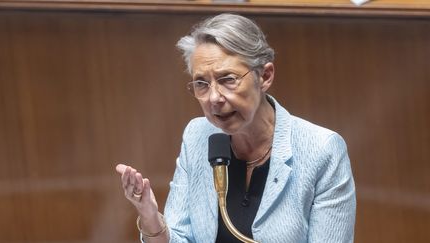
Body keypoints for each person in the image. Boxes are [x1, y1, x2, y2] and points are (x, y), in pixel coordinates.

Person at [116, 13, 356, 243]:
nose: (214, 98)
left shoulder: (322, 150)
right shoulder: (197, 136)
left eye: (228, 79)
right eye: (202, 83)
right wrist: (150, 217)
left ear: (265, 76)